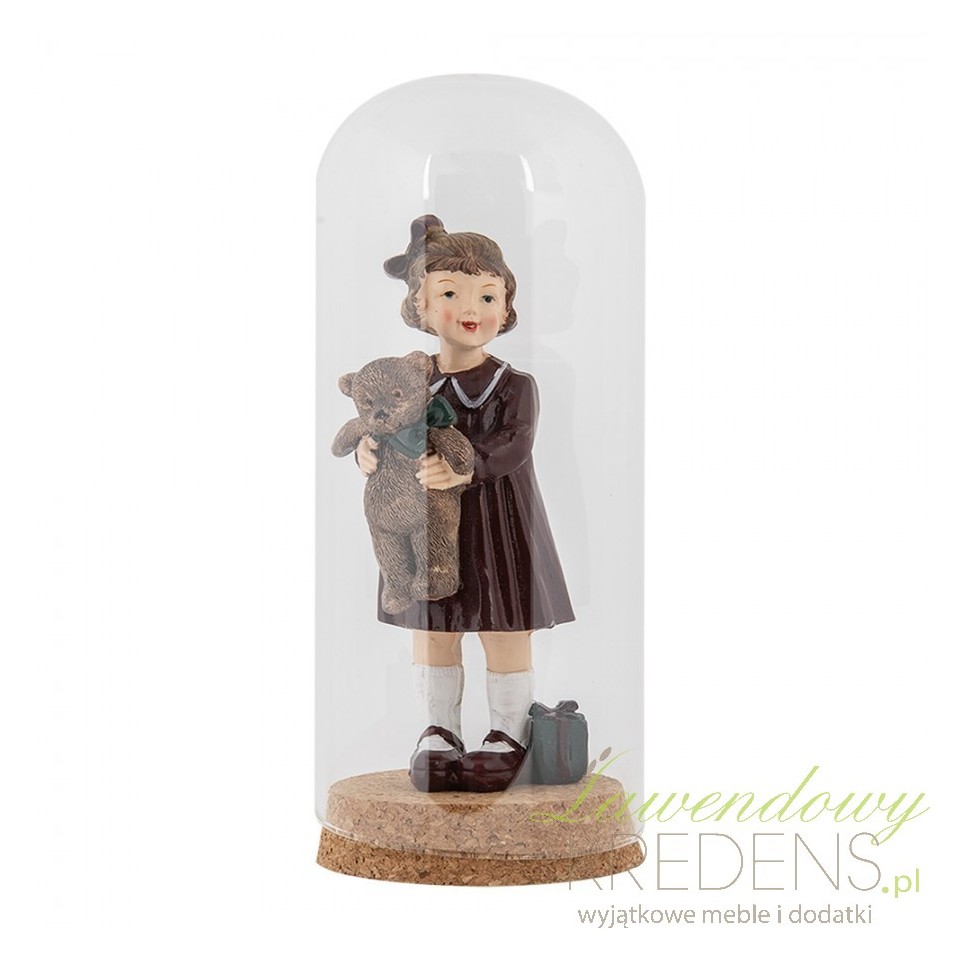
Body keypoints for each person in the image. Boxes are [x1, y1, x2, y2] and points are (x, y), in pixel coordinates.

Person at [361, 215, 574, 791]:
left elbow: (515, 444)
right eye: (450, 294)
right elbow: (382, 420)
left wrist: (466, 465)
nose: (470, 308)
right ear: (421, 306)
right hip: (426, 526)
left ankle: (507, 732)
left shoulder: (514, 385)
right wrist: (368, 449)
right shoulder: (409, 381)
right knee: (435, 625)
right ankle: (439, 731)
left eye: (487, 295)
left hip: (497, 523)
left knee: (504, 627)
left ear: (506, 306)